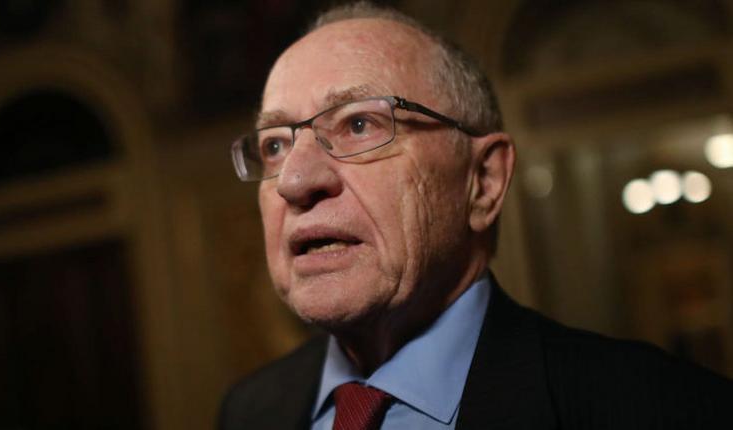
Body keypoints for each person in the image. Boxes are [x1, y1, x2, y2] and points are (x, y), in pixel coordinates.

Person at [220, 2, 733, 429]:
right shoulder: (249, 412)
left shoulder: (665, 410)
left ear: (483, 182)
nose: (294, 180)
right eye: (275, 145)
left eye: (359, 124)